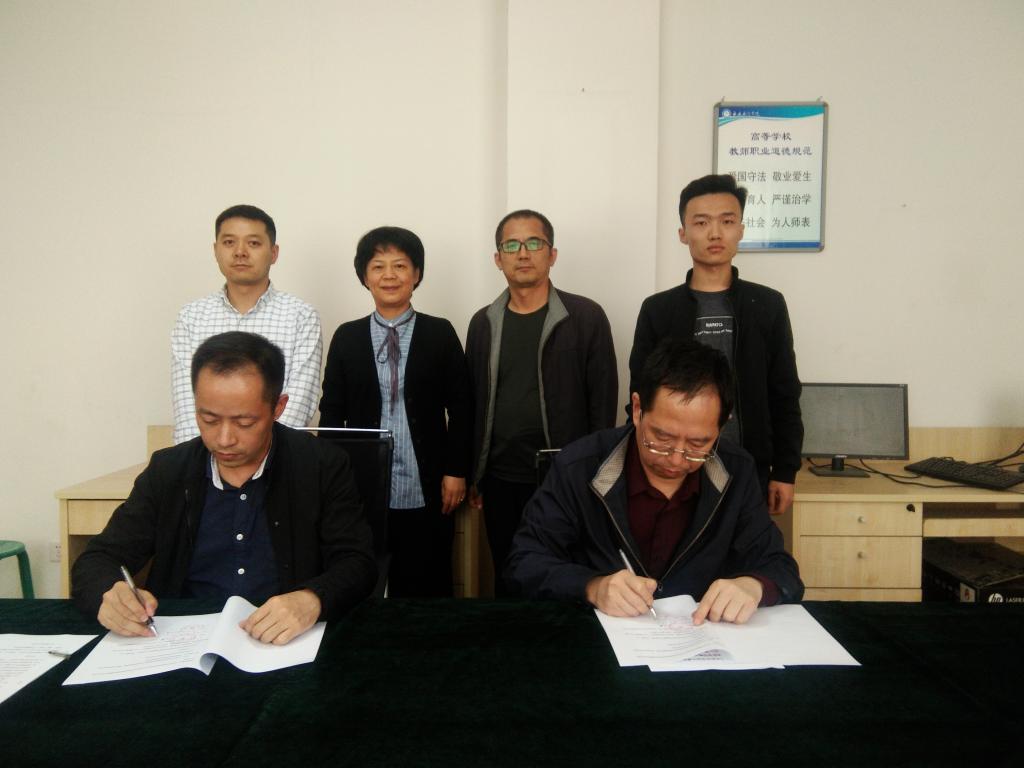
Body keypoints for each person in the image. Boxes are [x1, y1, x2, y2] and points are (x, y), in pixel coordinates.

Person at [73, 331, 376, 645]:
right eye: (209, 419)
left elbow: (357, 562)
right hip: (181, 644)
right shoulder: (169, 470)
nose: (224, 439)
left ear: (278, 407)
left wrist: (312, 599)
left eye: (244, 422)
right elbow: (97, 559)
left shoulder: (320, 465)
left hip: (284, 642)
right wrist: (109, 594)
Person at [507, 337, 803, 622]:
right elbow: (523, 563)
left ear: (721, 427)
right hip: (598, 641)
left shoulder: (736, 472)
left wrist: (753, 585)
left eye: (698, 443)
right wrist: (592, 586)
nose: (676, 459)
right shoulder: (579, 467)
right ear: (637, 409)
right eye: (661, 438)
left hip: (700, 640)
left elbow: (780, 567)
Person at [628, 174, 803, 515]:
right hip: (674, 465)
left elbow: (784, 392)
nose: (715, 233)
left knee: (745, 546)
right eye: (701, 222)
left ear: (741, 229)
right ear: (683, 233)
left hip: (749, 465)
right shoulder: (658, 309)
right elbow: (640, 395)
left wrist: (785, 470)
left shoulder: (767, 305)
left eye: (727, 221)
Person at [466, 209, 618, 595]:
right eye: (511, 245)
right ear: (497, 258)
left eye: (534, 243)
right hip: (500, 477)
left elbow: (603, 403)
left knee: (563, 577)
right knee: (509, 574)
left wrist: (596, 476)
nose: (523, 253)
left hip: (565, 476)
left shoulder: (585, 317)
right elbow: (474, 402)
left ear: (552, 254)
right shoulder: (483, 323)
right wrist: (475, 474)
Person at [319, 227, 471, 597]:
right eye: (378, 266)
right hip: (362, 485)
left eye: (400, 265)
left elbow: (463, 407)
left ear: (416, 274)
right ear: (364, 276)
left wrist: (456, 471)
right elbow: (331, 414)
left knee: (427, 581)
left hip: (427, 483)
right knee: (361, 580)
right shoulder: (347, 337)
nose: (389, 275)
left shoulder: (439, 333)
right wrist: (332, 481)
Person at [171, 204, 322, 444]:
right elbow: (187, 406)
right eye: (229, 242)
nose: (240, 252)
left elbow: (298, 403)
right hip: (203, 458)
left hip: (276, 457)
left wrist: (261, 455)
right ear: (215, 250)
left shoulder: (301, 316)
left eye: (253, 243)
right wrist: (206, 458)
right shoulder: (191, 317)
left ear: (274, 253)